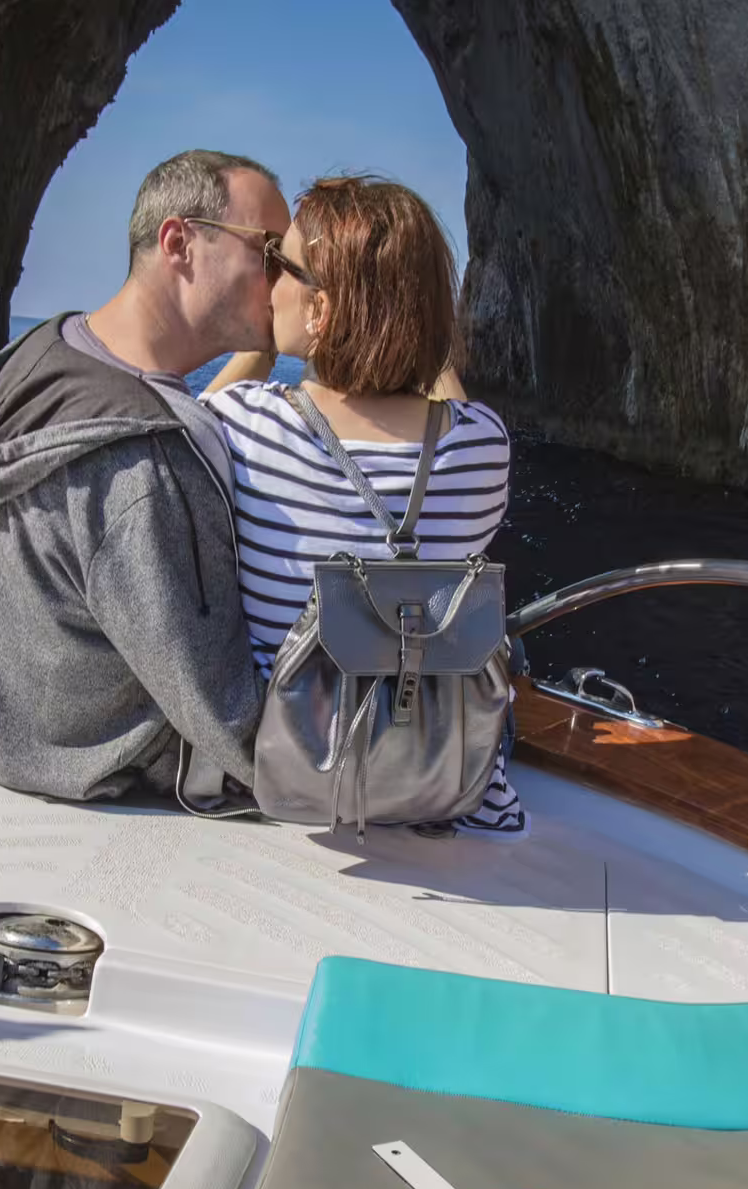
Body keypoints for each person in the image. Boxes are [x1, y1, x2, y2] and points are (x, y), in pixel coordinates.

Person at [0, 149, 290, 801]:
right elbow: (230, 723)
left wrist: (262, 345)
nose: (287, 278)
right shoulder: (148, 470)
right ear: (180, 242)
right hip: (92, 776)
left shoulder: (38, 355)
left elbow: (133, 448)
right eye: (270, 251)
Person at [201, 174, 525, 837]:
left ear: (319, 310)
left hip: (298, 781)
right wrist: (413, 333)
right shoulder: (483, 445)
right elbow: (448, 407)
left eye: (280, 266)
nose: (268, 284)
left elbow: (184, 428)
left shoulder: (244, 424)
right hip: (453, 789)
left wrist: (260, 341)